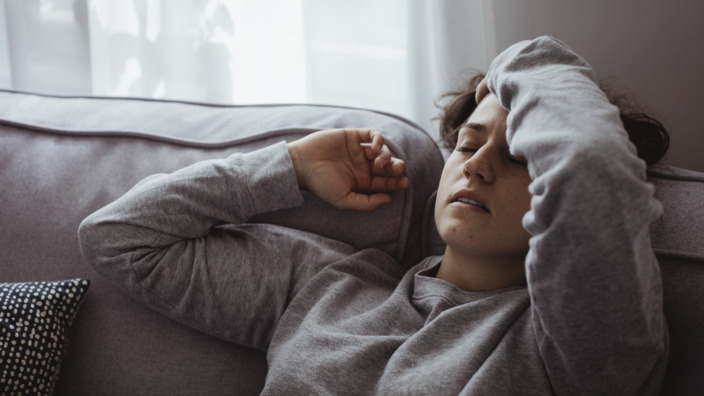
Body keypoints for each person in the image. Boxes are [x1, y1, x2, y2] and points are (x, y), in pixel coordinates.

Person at [79, 36, 669, 395]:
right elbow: (120, 238)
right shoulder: (329, 286)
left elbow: (593, 175)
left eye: (522, 155)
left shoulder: (575, 344)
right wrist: (290, 166)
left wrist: (521, 60)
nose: (479, 166)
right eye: (468, 143)